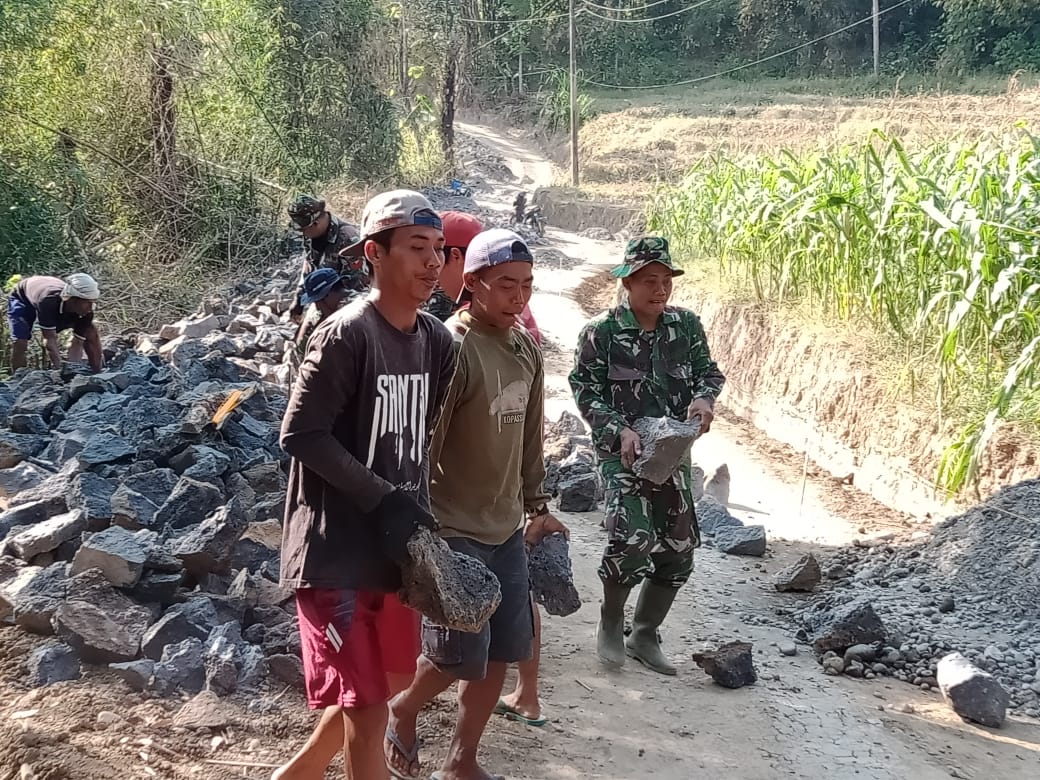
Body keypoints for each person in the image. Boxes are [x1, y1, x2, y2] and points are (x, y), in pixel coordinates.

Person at [275, 189, 456, 780]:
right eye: (416, 248)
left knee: (392, 681)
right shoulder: (346, 335)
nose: (433, 262)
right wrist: (381, 496)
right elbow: (300, 434)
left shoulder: (434, 340)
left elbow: (423, 435)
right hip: (335, 551)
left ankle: (293, 776)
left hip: (395, 550)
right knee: (369, 704)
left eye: (438, 250)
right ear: (374, 254)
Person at [386, 228, 566, 780]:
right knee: (456, 654)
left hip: (504, 525)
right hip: (453, 527)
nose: (519, 297)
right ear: (473, 284)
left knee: (502, 651)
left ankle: (461, 760)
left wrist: (538, 505)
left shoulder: (524, 349)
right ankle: (401, 709)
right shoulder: (452, 348)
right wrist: (421, 527)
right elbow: (425, 441)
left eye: (528, 286)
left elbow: (531, 438)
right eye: (507, 285)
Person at [568, 236, 726, 676]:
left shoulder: (685, 326)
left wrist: (702, 400)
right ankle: (611, 620)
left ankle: (645, 632)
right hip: (621, 453)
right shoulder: (601, 332)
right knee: (632, 537)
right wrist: (619, 430)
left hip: (670, 452)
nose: (660, 290)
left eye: (665, 281)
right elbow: (585, 389)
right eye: (649, 281)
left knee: (679, 547)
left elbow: (708, 373)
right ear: (628, 283)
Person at [424, 211, 543, 346]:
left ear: (455, 256)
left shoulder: (480, 318)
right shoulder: (509, 305)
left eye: (438, 253)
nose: (431, 270)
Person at [287, 195, 365, 321]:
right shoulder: (311, 235)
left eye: (303, 230)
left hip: (353, 303)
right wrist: (299, 296)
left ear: (315, 223)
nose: (303, 234)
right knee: (303, 335)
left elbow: (359, 284)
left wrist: (330, 310)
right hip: (324, 298)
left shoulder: (348, 238)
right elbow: (310, 263)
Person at [8, 273, 103, 373]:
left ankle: (98, 371)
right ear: (74, 299)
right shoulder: (48, 302)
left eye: (93, 302)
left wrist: (73, 370)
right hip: (22, 297)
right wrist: (60, 371)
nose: (91, 307)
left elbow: (78, 343)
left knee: (91, 332)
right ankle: (19, 377)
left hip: (50, 291)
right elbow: (49, 340)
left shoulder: (87, 311)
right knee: (20, 342)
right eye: (88, 302)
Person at [292, 268, 350, 361]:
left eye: (317, 301)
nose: (317, 306)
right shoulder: (321, 312)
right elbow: (301, 346)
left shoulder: (353, 315)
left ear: (326, 295)